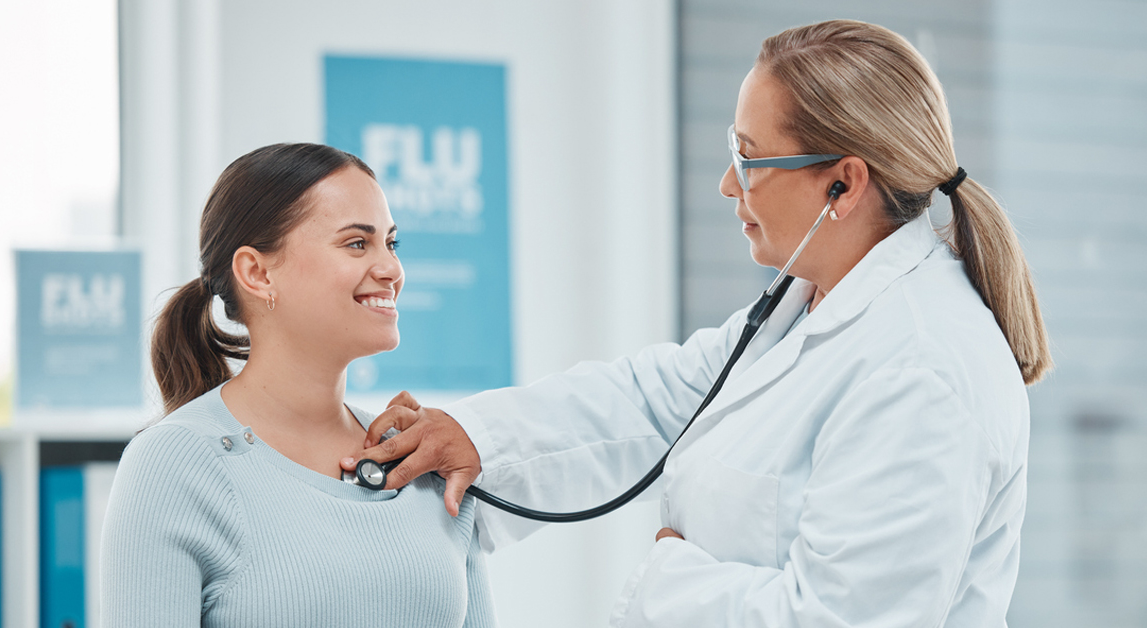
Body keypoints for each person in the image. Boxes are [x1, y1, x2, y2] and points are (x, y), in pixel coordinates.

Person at [344, 19, 1052, 627]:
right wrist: (475, 436)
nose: (726, 184)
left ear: (844, 183)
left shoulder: (922, 369)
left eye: (750, 159)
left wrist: (668, 582)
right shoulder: (806, 304)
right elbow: (655, 400)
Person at [101, 143, 495, 627]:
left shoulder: (424, 457)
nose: (392, 269)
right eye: (357, 243)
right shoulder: (173, 465)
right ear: (258, 272)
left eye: (391, 243)